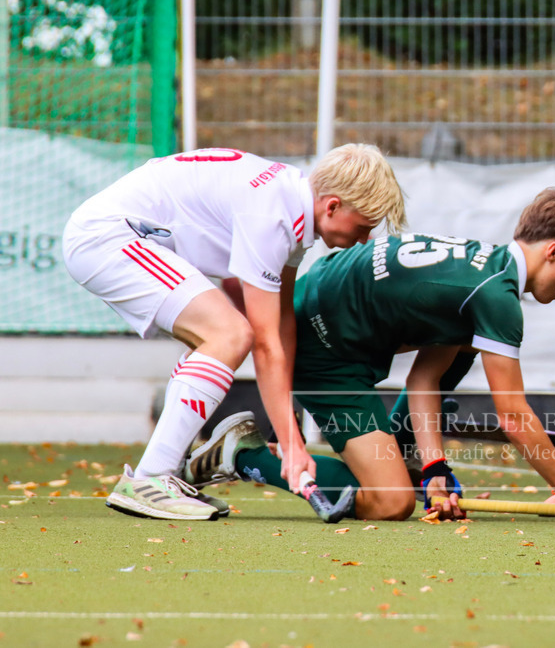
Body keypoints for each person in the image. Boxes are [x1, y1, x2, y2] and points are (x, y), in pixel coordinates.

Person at [184, 188, 555, 523]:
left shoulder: (482, 268)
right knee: (391, 502)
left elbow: (425, 378)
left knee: (464, 351)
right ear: (553, 251)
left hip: (321, 314)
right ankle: (242, 453)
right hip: (321, 351)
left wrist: (434, 468)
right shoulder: (496, 297)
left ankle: (407, 459)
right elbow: (513, 416)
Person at [62, 145, 406, 520]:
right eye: (363, 227)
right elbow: (265, 343)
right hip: (107, 237)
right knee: (229, 334)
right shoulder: (272, 217)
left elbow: (281, 323)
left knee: (222, 336)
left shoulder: (291, 205)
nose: (364, 239)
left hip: (120, 236)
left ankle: (164, 473)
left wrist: (286, 423)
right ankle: (150, 479)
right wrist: (292, 446)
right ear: (333, 206)